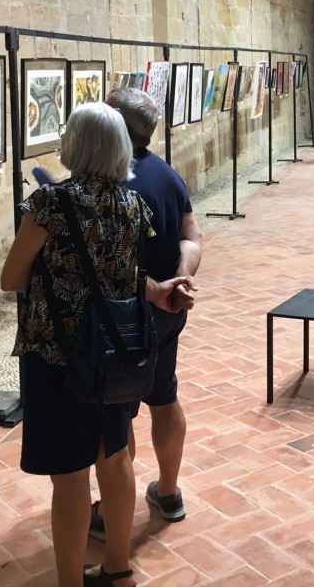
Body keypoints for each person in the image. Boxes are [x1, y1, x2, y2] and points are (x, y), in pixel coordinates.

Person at [1, 102, 190, 587]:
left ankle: (70, 581)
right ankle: (117, 566)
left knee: (68, 476)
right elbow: (127, 275)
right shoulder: (132, 205)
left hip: (57, 353)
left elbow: (12, 277)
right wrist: (157, 290)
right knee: (113, 455)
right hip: (112, 351)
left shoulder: (47, 205)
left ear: (78, 144)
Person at [87, 88, 203, 540]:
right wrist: (182, 279)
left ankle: (113, 516)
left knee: (116, 416)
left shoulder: (113, 180)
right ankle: (169, 493)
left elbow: (105, 261)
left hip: (126, 318)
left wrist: (159, 289)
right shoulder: (167, 175)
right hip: (169, 312)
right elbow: (191, 232)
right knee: (164, 396)